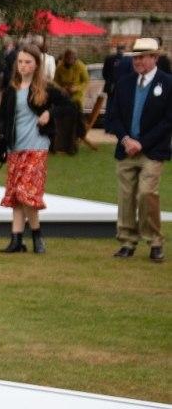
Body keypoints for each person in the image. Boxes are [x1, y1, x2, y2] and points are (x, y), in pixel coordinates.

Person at [0, 44, 70, 254]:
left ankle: (37, 235)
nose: (23, 66)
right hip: (14, 147)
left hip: (37, 146)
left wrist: (50, 113)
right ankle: (17, 239)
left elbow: (69, 105)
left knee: (26, 192)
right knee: (16, 195)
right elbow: (2, 118)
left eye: (28, 62)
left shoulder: (45, 89)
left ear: (37, 65)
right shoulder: (11, 89)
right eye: (20, 62)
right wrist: (0, 135)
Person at [102, 37, 171, 263]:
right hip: (126, 150)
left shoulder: (167, 83)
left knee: (146, 193)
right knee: (126, 196)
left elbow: (168, 122)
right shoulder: (124, 83)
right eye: (136, 57)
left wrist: (142, 143)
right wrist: (125, 139)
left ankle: (155, 241)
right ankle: (127, 241)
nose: (138, 61)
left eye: (143, 57)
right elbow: (112, 117)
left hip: (152, 151)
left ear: (155, 58)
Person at [52, 48, 89, 153]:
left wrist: (76, 88)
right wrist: (61, 88)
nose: (70, 61)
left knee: (74, 118)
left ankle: (73, 143)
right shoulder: (60, 67)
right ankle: (60, 144)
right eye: (67, 59)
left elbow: (86, 81)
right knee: (59, 117)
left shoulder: (80, 66)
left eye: (72, 59)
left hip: (76, 98)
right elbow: (55, 82)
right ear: (64, 58)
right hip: (63, 97)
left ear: (75, 59)